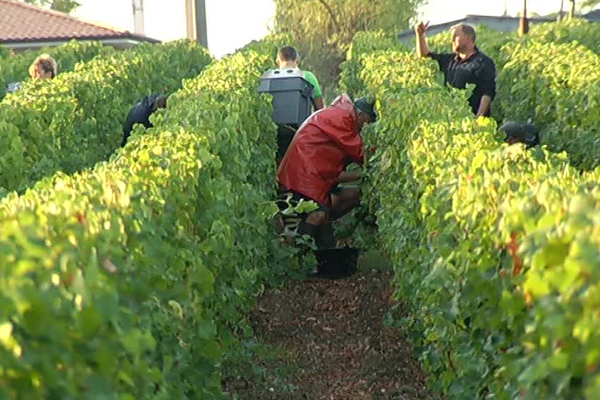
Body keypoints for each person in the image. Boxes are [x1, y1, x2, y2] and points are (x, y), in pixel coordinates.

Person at [277, 95, 377, 246]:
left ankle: (318, 250)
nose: (366, 127)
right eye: (367, 122)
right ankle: (299, 254)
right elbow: (361, 153)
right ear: (361, 115)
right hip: (301, 176)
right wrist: (383, 158)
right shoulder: (342, 119)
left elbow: (333, 173)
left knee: (351, 195)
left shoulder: (340, 116)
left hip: (310, 175)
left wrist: (364, 174)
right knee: (318, 213)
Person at [415, 22, 496, 118]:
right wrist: (420, 35)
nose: (451, 40)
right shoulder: (450, 60)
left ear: (468, 38)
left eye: (455, 36)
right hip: (452, 121)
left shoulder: (483, 62)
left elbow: (487, 93)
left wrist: (478, 119)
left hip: (471, 121)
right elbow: (426, 57)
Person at [276, 46, 324, 111]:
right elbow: (319, 108)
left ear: (277, 62)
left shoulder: (268, 79)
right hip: (303, 120)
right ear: (297, 60)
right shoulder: (308, 77)